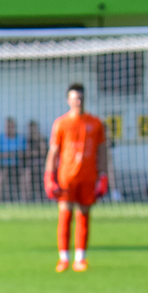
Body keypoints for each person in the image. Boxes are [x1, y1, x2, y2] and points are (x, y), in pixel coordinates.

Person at [45, 83, 108, 273]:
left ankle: (80, 258)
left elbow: (102, 151)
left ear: (84, 99)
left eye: (80, 98)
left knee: (84, 214)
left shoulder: (95, 123)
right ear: (68, 100)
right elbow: (54, 151)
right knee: (65, 215)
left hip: (88, 176)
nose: (77, 101)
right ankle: (63, 258)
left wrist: (103, 176)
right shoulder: (61, 123)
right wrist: (49, 176)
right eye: (74, 98)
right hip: (66, 177)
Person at [0, 117, 28, 203]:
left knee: (25, 176)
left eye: (11, 126)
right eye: (7, 126)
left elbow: (24, 153)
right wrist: (6, 155)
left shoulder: (20, 139)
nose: (9, 129)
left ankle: (24, 201)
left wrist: (15, 154)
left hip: (17, 166)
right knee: (0, 178)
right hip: (3, 166)